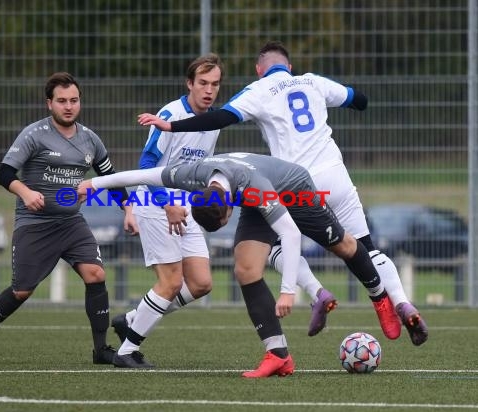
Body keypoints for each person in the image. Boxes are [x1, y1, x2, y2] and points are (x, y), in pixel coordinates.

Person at [136, 41, 428, 346]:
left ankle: (314, 294)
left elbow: (220, 117)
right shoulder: (313, 81)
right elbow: (359, 99)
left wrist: (170, 126)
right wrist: (359, 100)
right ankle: (396, 301)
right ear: (289, 67)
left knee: (272, 247)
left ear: (259, 70)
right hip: (337, 177)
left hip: (295, 184)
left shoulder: (259, 90)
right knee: (363, 247)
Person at [77, 152, 399, 378]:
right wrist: (95, 185)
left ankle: (379, 297)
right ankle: (278, 356)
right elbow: (142, 175)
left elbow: (289, 233)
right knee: (246, 270)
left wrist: (288, 292)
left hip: (294, 189)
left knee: (343, 244)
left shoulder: (254, 187)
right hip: (252, 197)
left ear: (227, 212)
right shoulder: (193, 175)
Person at [0, 72, 138, 365]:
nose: (68, 106)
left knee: (96, 274)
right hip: (35, 225)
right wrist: (25, 192)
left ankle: (101, 350)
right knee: (22, 291)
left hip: (71, 223)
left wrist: (129, 210)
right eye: (61, 101)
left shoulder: (90, 140)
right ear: (49, 103)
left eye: (73, 100)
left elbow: (111, 178)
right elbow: (4, 173)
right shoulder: (34, 134)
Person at [108, 53, 224, 369]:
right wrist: (167, 204)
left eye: (214, 84)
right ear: (190, 83)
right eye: (202, 83)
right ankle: (126, 351)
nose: (208, 90)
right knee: (171, 282)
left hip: (184, 205)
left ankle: (132, 319)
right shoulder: (170, 114)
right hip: (155, 202)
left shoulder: (213, 122)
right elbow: (146, 164)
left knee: (201, 283)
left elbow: (200, 169)